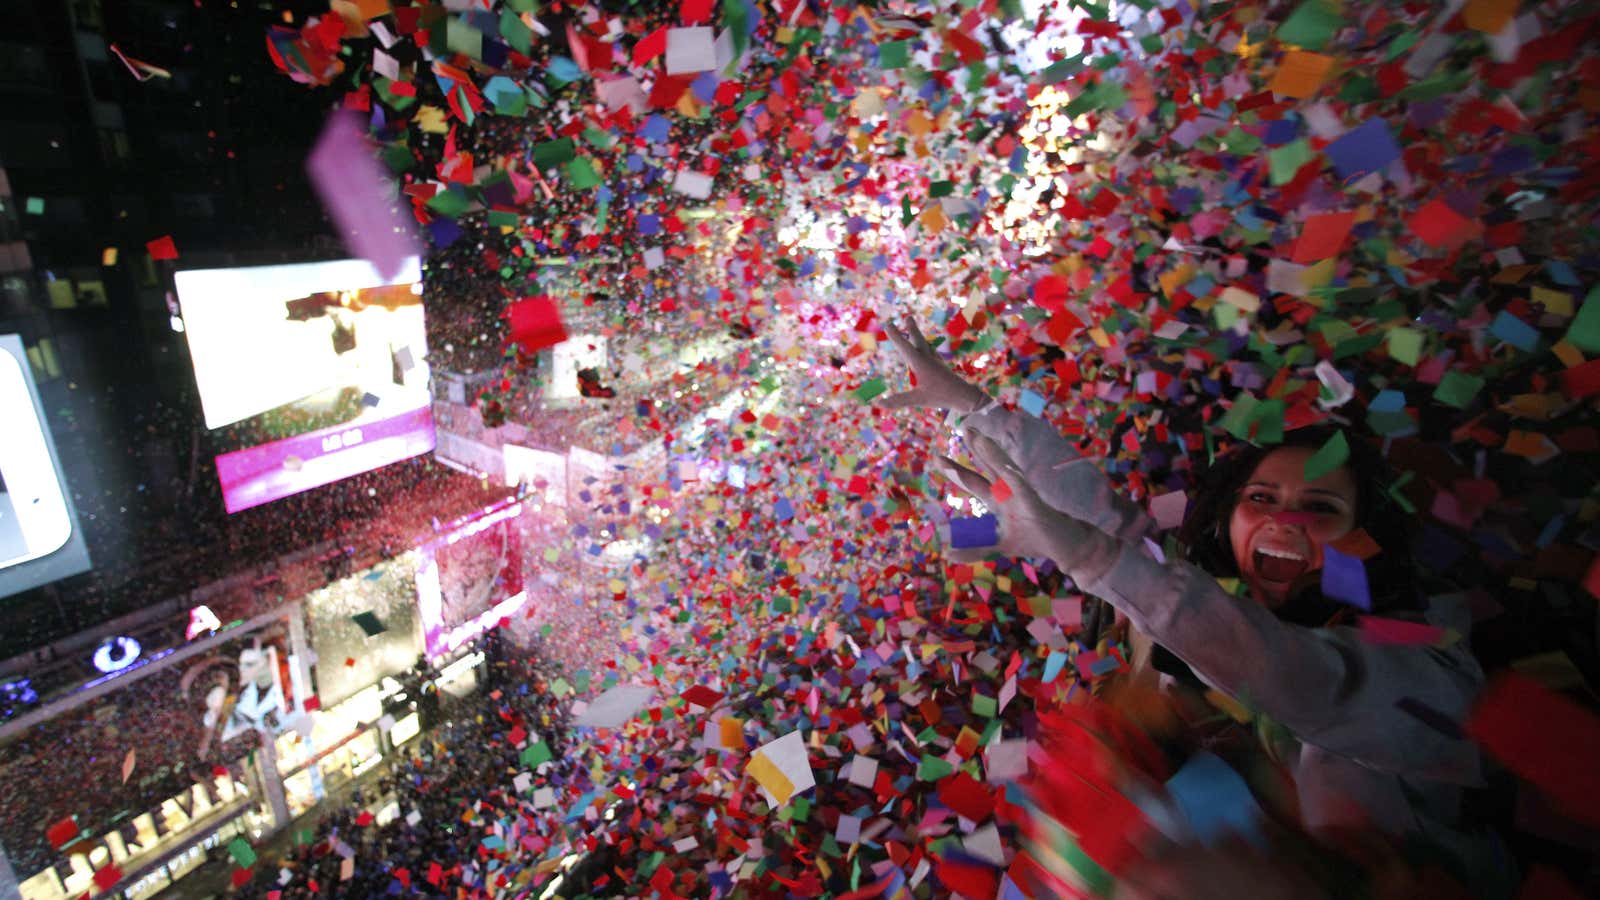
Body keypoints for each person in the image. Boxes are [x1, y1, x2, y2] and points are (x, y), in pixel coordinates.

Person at [882, 318, 1509, 893]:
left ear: (1365, 537)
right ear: (1227, 517)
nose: (1283, 521)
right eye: (1260, 498)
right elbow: (1117, 529)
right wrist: (976, 408)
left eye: (1320, 508)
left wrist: (1095, 561)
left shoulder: (1430, 661)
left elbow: (1303, 679)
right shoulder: (1216, 598)